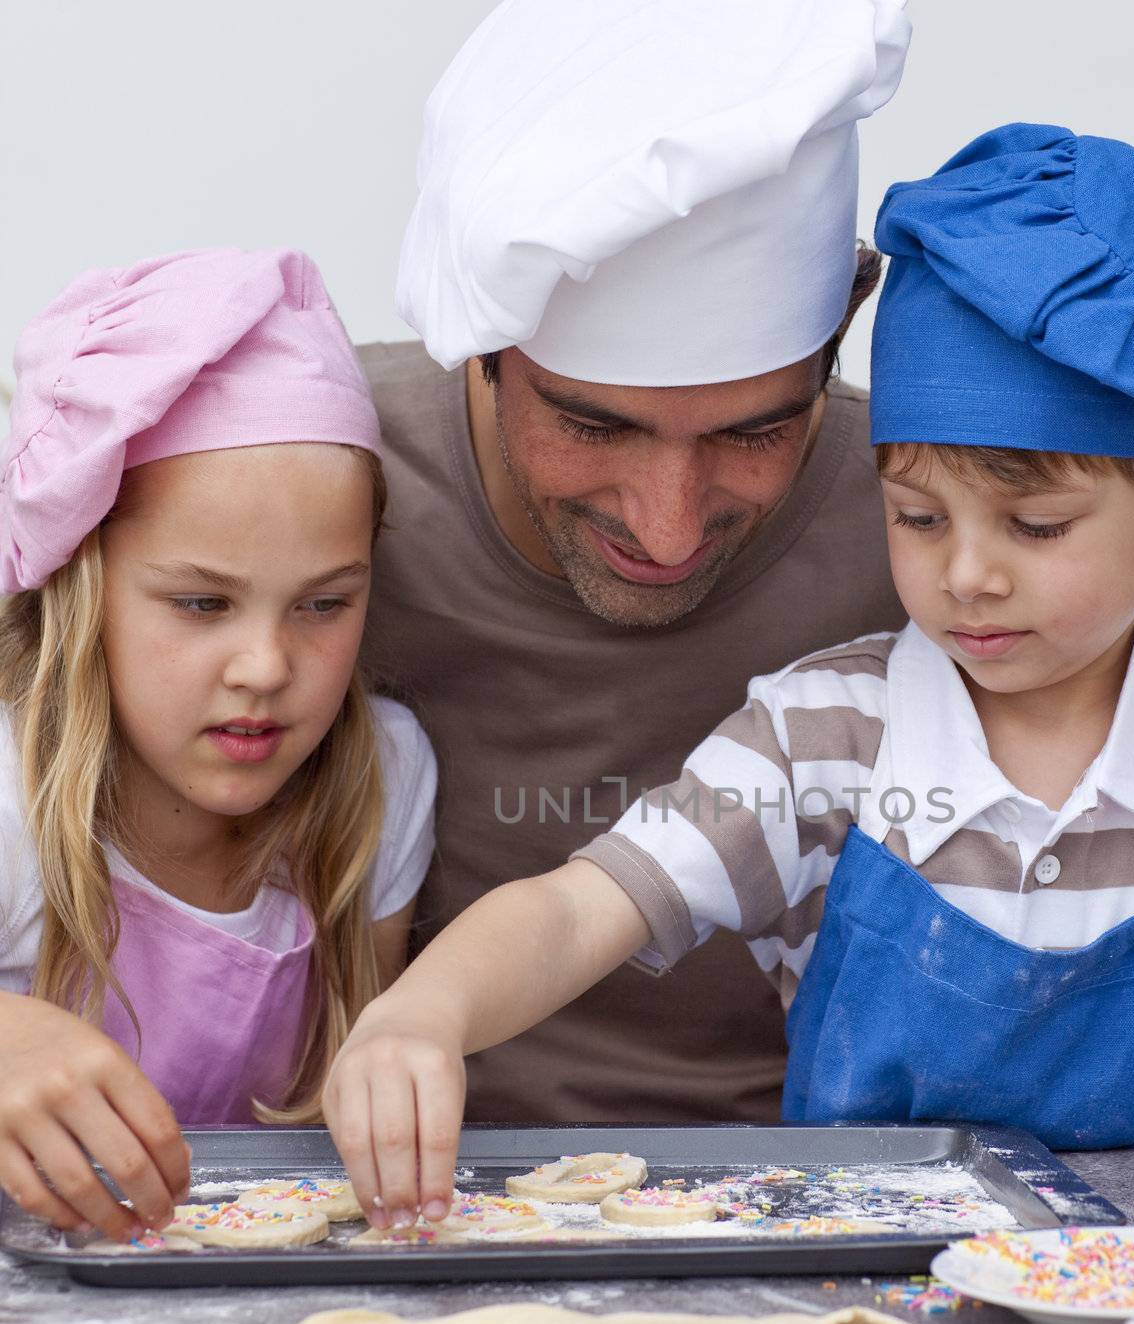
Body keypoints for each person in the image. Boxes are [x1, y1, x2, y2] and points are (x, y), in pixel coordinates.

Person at [325, 124, 1134, 1227]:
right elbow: (577, 909)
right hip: (858, 1260)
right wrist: (426, 1012)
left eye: (1034, 527)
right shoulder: (822, 732)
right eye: (915, 518)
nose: (965, 576)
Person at [356, 0, 912, 1128]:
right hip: (402, 1193)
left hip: (823, 1188)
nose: (665, 531)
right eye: (595, 428)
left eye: (753, 432)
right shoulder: (311, 486)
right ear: (484, 345)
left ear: (848, 315)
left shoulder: (935, 531)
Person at [0, 249, 437, 1241]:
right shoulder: (10, 794)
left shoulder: (386, 781)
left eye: (325, 604)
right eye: (202, 602)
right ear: (80, 581)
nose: (265, 666)